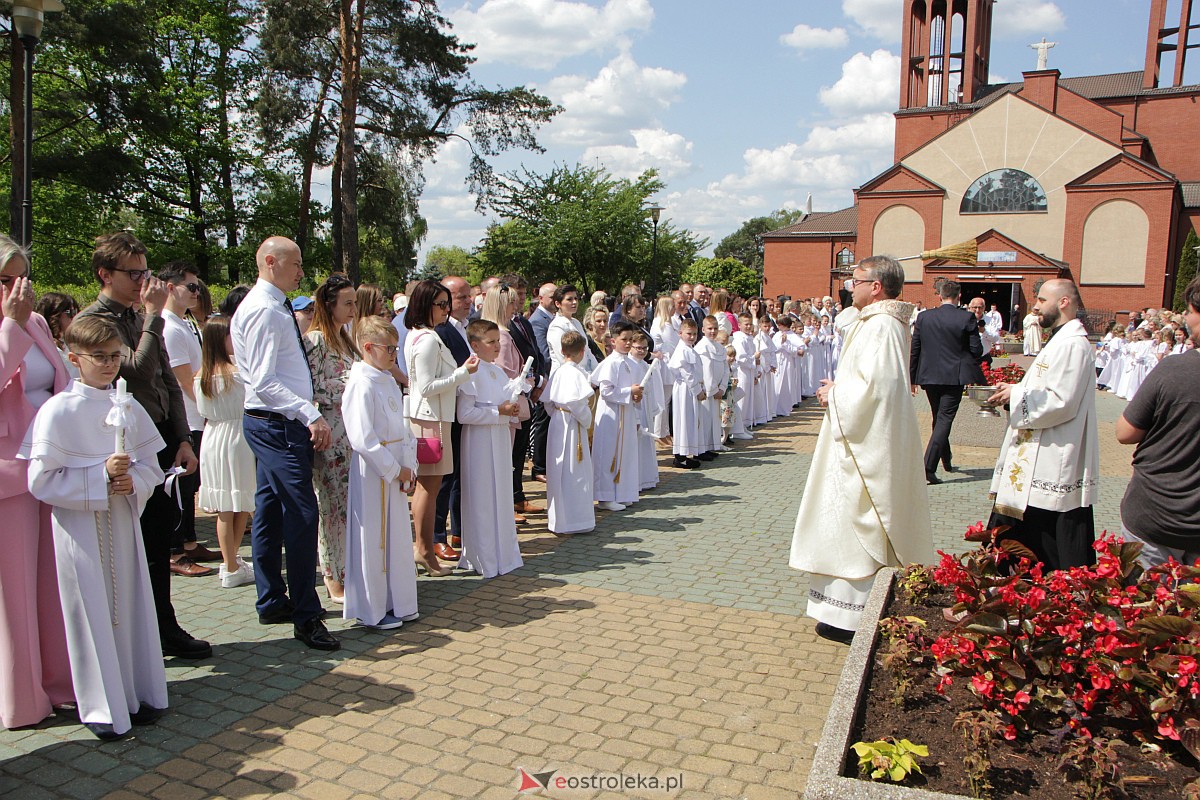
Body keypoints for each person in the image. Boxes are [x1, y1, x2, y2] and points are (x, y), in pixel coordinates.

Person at [23, 314, 168, 740]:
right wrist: (100, 474)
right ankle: (103, 706)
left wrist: (131, 481)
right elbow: (41, 481)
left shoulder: (126, 404)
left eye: (115, 356)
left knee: (131, 606)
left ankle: (137, 693)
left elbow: (152, 469)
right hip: (80, 528)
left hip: (121, 522)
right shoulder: (58, 411)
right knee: (90, 611)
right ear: (73, 358)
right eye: (99, 357)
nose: (109, 365)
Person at [76, 232, 209, 660]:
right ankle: (137, 630)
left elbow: (166, 379)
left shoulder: (138, 316)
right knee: (130, 544)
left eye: (145, 272)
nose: (142, 281)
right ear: (104, 274)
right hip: (120, 449)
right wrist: (152, 317)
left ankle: (163, 625)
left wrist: (182, 439)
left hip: (159, 440)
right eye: (133, 274)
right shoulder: (99, 321)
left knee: (157, 536)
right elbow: (133, 371)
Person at [789, 256, 933, 643]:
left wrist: (837, 394)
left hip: (863, 446)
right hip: (853, 440)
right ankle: (839, 612)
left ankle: (857, 616)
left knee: (855, 522)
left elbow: (878, 389)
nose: (849, 287)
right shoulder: (875, 322)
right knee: (840, 522)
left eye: (855, 281)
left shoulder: (883, 326)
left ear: (877, 286)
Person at [231, 236, 339, 651]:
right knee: (300, 510)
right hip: (276, 423)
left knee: (272, 509)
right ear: (271, 262)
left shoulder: (272, 306)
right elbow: (261, 380)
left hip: (277, 421)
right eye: (295, 264)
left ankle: (272, 598)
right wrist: (308, 412)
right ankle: (305, 615)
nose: (301, 272)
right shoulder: (263, 310)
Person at [0, 237, 72, 729]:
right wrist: (10, 324)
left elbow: (59, 379)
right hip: (6, 474)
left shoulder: (39, 321)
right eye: (7, 279)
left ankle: (58, 683)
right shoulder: (17, 321)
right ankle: (19, 698)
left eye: (23, 277)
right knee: (15, 591)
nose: (18, 289)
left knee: (51, 586)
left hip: (46, 466)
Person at [984, 279, 1099, 571]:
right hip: (1037, 447)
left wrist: (1016, 395)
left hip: (1052, 452)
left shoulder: (1073, 345)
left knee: (1045, 536)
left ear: (1063, 302)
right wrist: (1015, 388)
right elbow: (1044, 387)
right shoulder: (1059, 340)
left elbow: (1061, 401)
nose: (1035, 306)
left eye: (1042, 299)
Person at [1115, 277, 1200, 568]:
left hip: (1158, 512)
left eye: (1189, 311)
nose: (1185, 318)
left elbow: (1125, 432)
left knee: (1145, 607)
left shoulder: (1175, 369)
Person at [342, 316, 419, 629]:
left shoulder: (386, 378)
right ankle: (371, 610)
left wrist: (410, 465)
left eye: (396, 349)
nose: (394, 355)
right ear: (368, 347)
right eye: (389, 349)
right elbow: (361, 437)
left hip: (397, 467)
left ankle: (398, 601)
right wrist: (393, 468)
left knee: (397, 538)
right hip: (374, 471)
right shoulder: (360, 383)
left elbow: (402, 423)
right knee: (374, 539)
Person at [404, 280, 478, 577]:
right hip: (430, 418)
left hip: (433, 417)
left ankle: (424, 548)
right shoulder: (427, 339)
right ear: (426, 305)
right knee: (428, 488)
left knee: (430, 487)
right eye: (441, 304)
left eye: (448, 304)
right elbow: (426, 386)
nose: (447, 310)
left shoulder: (422, 336)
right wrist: (463, 373)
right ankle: (423, 548)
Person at [159, 264, 218, 576]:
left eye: (198, 287)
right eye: (191, 287)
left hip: (196, 416)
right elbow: (184, 379)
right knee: (181, 486)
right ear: (171, 287)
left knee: (191, 485)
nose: (197, 293)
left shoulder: (184, 323)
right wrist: (209, 408)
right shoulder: (169, 327)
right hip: (187, 416)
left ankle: (190, 541)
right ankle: (175, 552)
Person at [305, 274, 360, 603]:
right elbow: (308, 387)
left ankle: (347, 567)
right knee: (331, 508)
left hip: (351, 431)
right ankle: (331, 575)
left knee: (347, 506)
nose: (354, 308)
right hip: (329, 432)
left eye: (354, 301)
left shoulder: (345, 337)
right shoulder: (316, 341)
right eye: (347, 302)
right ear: (329, 305)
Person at [456, 319, 524, 578]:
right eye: (491, 342)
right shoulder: (470, 372)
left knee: (501, 493)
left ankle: (503, 552)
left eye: (498, 341)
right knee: (482, 496)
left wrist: (510, 409)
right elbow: (465, 414)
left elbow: (503, 404)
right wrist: (499, 411)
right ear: (475, 345)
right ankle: (482, 555)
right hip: (479, 441)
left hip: (498, 437)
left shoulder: (496, 371)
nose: (497, 346)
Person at [194, 315, 256, 588]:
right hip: (236, 436)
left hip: (213, 437)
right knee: (237, 500)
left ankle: (230, 563)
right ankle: (231, 566)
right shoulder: (236, 372)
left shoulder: (203, 375)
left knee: (227, 503)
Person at [909, 279, 985, 485]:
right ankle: (928, 466)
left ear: (940, 296)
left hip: (929, 375)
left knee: (938, 417)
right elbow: (976, 349)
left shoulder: (924, 317)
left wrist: (912, 377)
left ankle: (946, 457)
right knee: (944, 419)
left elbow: (915, 348)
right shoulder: (966, 317)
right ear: (959, 297)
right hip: (954, 376)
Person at [432, 275, 475, 561]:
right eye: (460, 297)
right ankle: (437, 535)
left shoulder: (462, 328)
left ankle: (458, 528)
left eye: (468, 295)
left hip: (463, 410)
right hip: (445, 411)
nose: (467, 301)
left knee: (460, 473)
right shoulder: (439, 330)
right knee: (444, 477)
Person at [545, 331, 595, 535]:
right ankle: (575, 521)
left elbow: (548, 401)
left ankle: (559, 520)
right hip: (573, 424)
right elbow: (576, 402)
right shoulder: (575, 373)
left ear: (562, 350)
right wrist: (587, 420)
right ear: (582, 351)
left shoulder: (557, 372)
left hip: (558, 421)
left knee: (559, 471)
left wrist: (558, 414)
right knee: (574, 472)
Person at [591, 320, 644, 510]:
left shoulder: (630, 363)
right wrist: (630, 391)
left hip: (626, 412)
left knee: (625, 451)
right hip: (611, 413)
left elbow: (634, 389)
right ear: (613, 341)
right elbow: (606, 391)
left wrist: (636, 396)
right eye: (624, 340)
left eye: (631, 339)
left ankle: (622, 492)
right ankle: (605, 497)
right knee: (608, 453)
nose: (629, 343)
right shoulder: (610, 363)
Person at [527, 283, 557, 484]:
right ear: (541, 298)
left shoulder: (552, 318)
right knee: (542, 423)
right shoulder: (538, 320)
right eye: (553, 296)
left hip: (551, 378)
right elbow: (542, 353)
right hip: (545, 378)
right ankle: (539, 466)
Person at [547, 284, 599, 373]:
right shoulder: (556, 326)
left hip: (586, 375)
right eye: (569, 299)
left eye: (576, 298)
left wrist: (596, 373)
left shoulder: (576, 322)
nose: (574, 302)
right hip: (567, 376)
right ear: (558, 304)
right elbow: (564, 358)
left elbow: (587, 351)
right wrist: (586, 378)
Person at [34, 291, 79, 377]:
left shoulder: (71, 342)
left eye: (76, 312)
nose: (74, 316)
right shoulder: (40, 345)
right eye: (70, 312)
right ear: (54, 314)